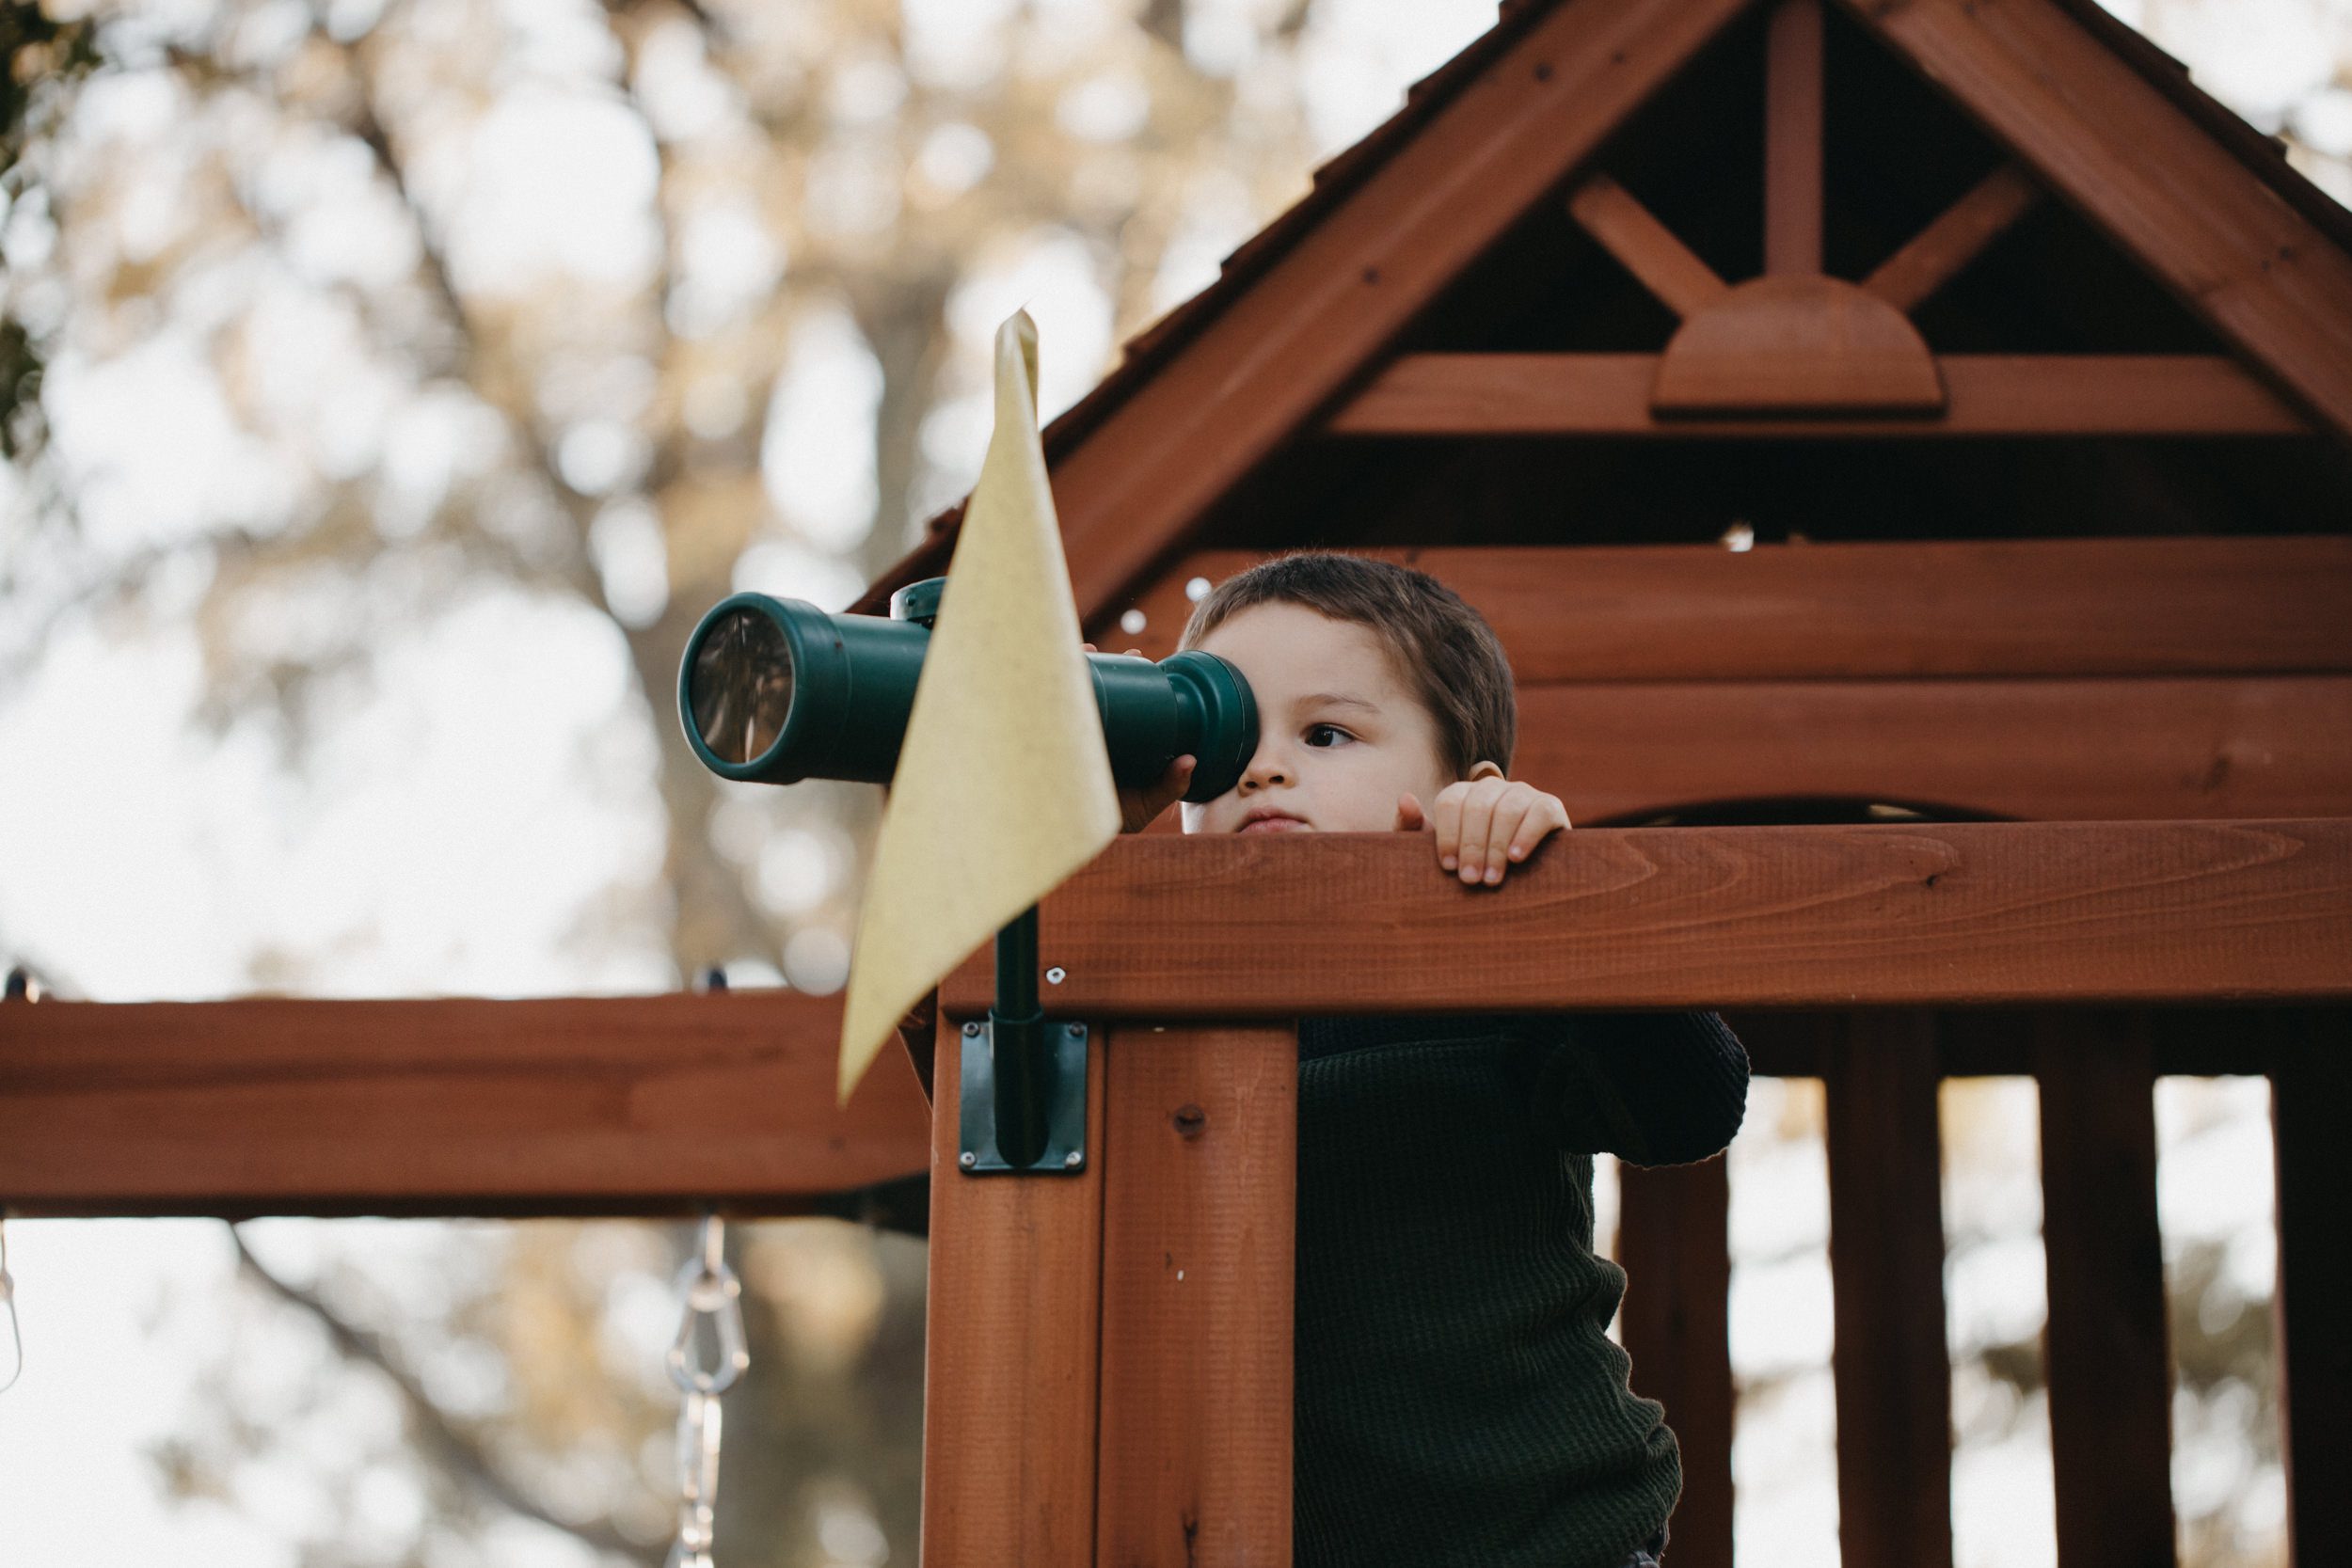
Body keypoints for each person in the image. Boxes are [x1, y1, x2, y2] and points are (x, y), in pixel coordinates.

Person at [1104, 551, 1749, 1568]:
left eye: (1325, 733)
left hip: (1545, 1536)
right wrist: (1089, 850)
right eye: (1221, 740)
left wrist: (1552, 901)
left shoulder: (1490, 968)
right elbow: (1016, 1114)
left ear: (1461, 790)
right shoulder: (1147, 1002)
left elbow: (1690, 1105)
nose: (1264, 768)